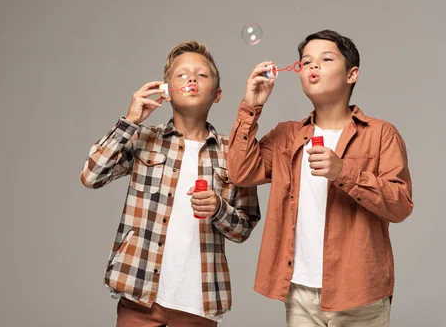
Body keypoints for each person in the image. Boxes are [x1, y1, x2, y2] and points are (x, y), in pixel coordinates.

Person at [227, 29, 413, 326]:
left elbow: (400, 204)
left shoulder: (381, 134)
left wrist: (344, 172)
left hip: (359, 293)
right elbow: (240, 170)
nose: (313, 66)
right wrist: (252, 105)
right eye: (306, 61)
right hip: (298, 291)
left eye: (326, 59)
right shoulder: (286, 135)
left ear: (351, 74)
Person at [81, 41, 261, 326]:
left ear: (217, 94)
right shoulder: (143, 138)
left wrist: (218, 208)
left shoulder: (233, 152)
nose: (191, 78)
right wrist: (130, 121)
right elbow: (91, 176)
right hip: (138, 298)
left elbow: (244, 228)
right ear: (166, 91)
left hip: (199, 305)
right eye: (182, 74)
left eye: (201, 75)